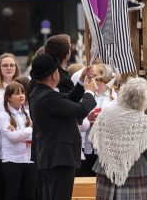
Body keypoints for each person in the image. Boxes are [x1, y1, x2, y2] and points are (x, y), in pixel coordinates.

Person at [29, 54, 96, 200]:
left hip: (53, 157)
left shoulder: (39, 93)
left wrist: (81, 80)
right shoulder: (47, 97)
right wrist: (90, 91)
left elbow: (68, 100)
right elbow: (80, 110)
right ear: (53, 75)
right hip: (58, 158)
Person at [90, 77, 147, 200]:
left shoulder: (105, 114)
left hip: (107, 172)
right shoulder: (145, 122)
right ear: (144, 99)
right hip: (138, 174)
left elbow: (95, 142)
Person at [0, 81, 36, 200]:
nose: (21, 96)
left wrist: (21, 132)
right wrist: (30, 129)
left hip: (29, 160)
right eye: (17, 93)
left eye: (23, 92)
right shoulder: (3, 116)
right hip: (12, 160)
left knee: (29, 194)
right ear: (9, 98)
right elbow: (13, 138)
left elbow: (36, 135)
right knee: (12, 193)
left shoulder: (28, 114)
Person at [0, 53, 20, 199]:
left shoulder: (21, 87)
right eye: (5, 65)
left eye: (12, 65)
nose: (9, 68)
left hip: (19, 141)